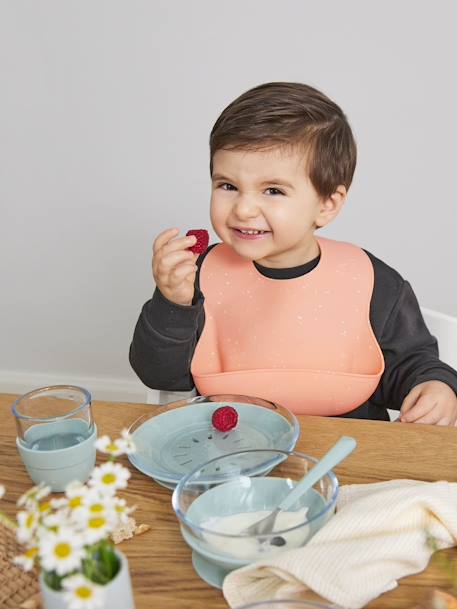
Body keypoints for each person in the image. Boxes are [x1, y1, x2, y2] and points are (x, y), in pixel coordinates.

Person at [129, 82, 457, 425]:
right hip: (228, 449)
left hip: (349, 451)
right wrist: (174, 304)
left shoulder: (374, 282)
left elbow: (410, 364)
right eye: (228, 186)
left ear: (327, 205)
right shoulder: (195, 276)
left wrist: (436, 385)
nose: (243, 209)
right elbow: (160, 377)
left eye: (273, 190)